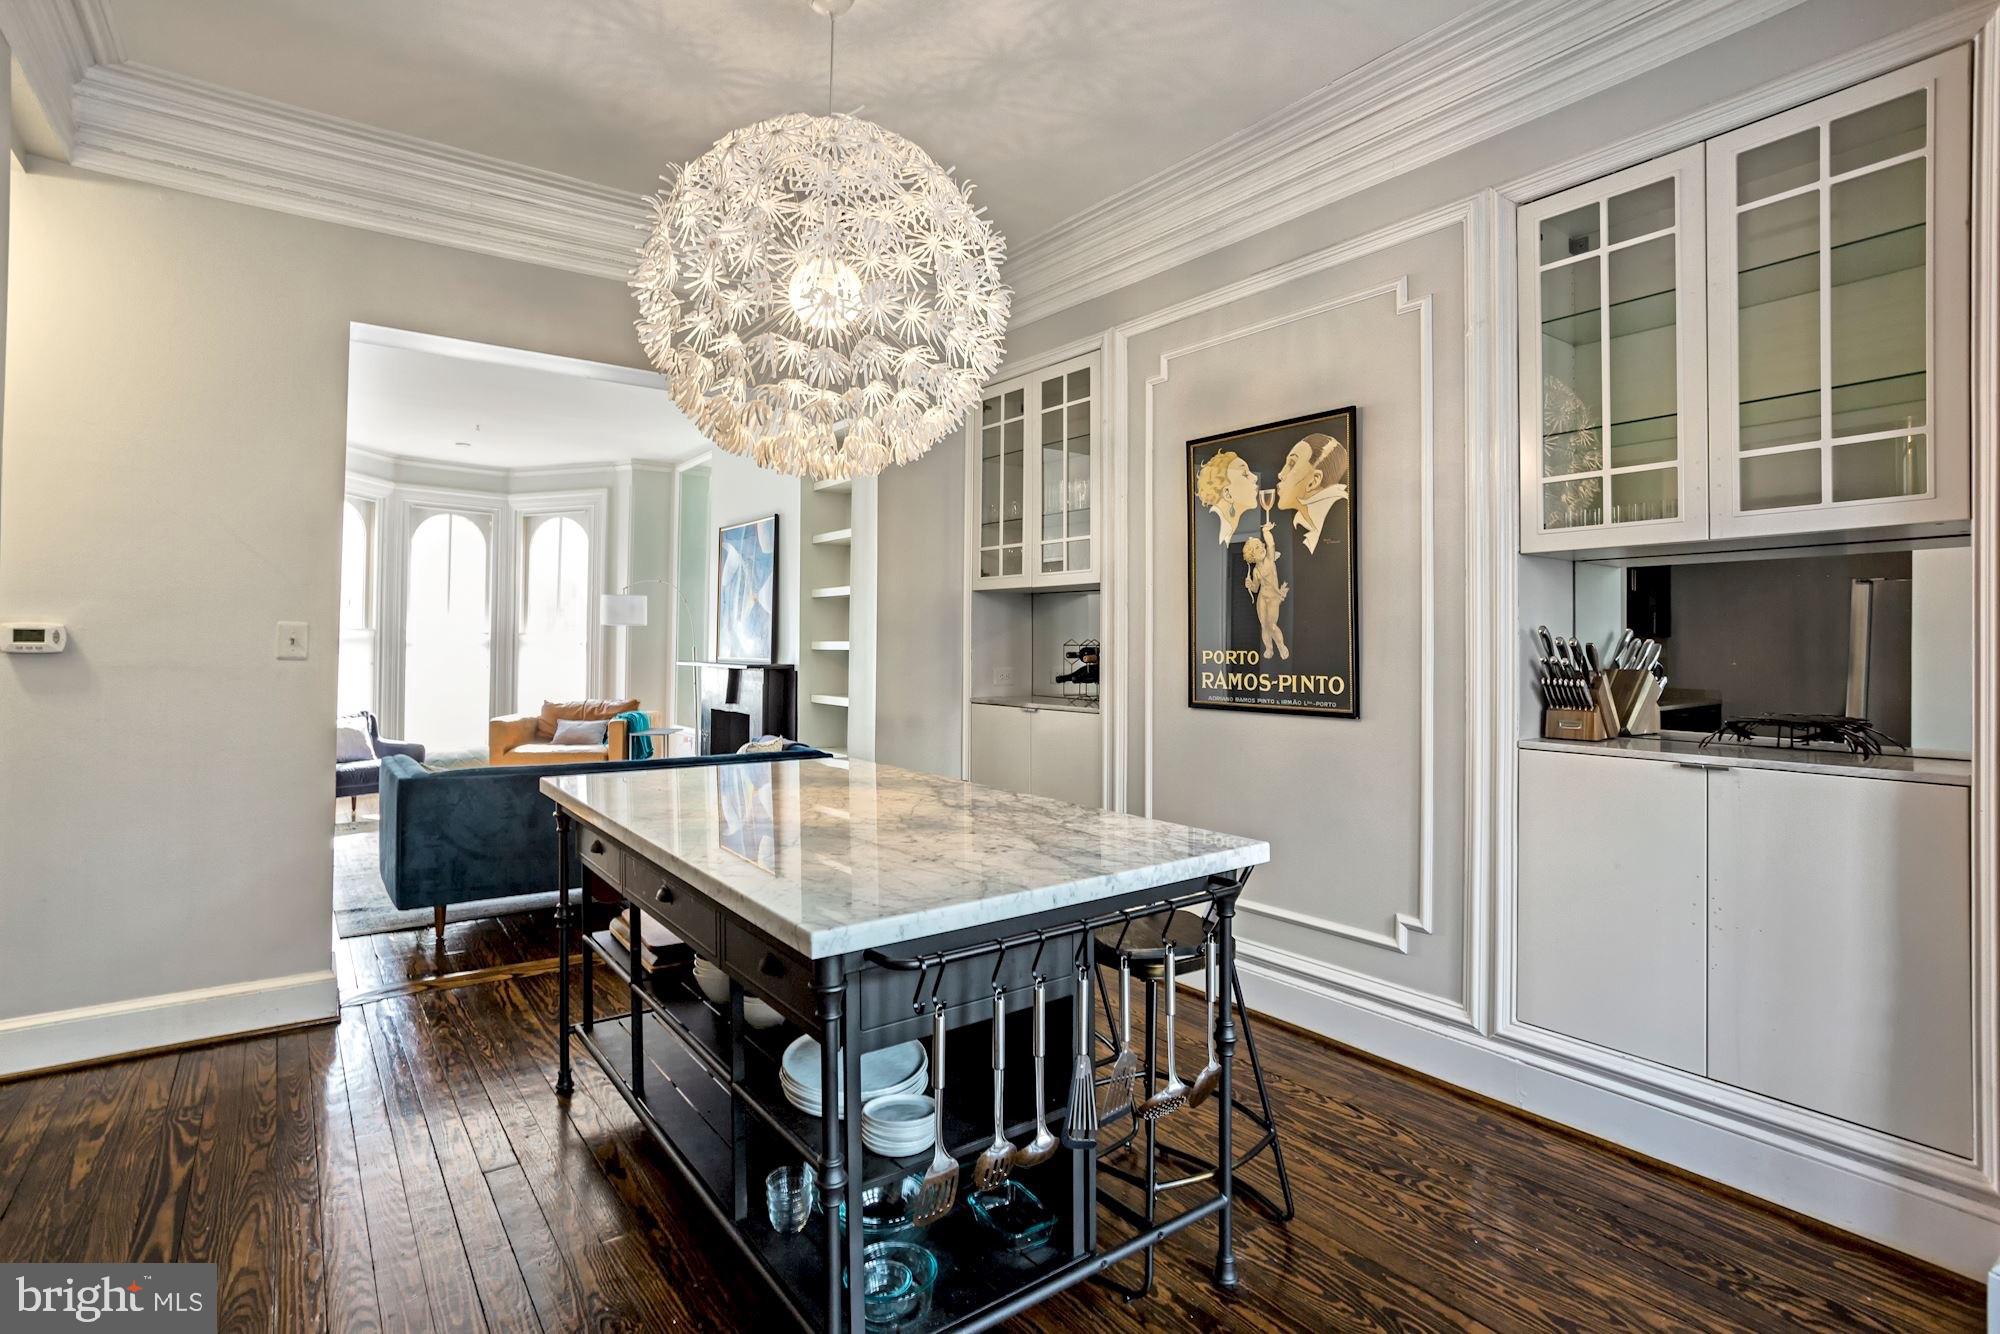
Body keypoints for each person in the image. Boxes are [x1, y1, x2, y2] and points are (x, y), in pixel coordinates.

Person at [1275, 432, 1350, 554]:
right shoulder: (1305, 527)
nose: (1280, 474)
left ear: (1314, 481)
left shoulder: (1341, 522)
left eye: (1291, 464)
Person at [1241, 520, 1290, 661]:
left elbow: (1271, 544)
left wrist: (1266, 532)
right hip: (1262, 598)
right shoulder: (1255, 571)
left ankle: (1281, 646)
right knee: (1264, 625)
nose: (1261, 548)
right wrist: (1250, 585)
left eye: (1260, 545)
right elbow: (1256, 588)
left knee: (1272, 625)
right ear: (1252, 556)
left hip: (1273, 597)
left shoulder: (1269, 559)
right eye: (1255, 548)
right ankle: (1269, 648)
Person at [1194, 449, 1260, 545]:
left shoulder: (1227, 528)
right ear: (1227, 494)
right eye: (1245, 474)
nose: (1255, 477)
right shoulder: (1214, 530)